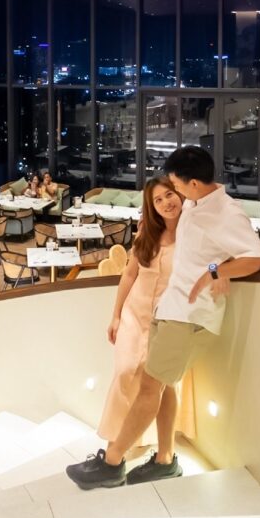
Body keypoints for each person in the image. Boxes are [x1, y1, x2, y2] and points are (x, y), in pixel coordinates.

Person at [67, 147, 260, 489]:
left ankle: (112, 462)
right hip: (170, 310)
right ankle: (164, 459)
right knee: (161, 386)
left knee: (148, 386)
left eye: (175, 186)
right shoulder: (196, 203)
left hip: (189, 317)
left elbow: (257, 258)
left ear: (192, 183)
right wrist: (210, 266)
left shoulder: (224, 214)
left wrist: (217, 270)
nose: (172, 194)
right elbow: (198, 255)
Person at [97, 177, 195, 460]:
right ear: (152, 207)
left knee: (160, 383)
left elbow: (214, 261)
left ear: (180, 194)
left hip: (167, 320)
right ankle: (117, 438)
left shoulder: (194, 234)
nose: (166, 203)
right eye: (158, 200)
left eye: (169, 195)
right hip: (134, 313)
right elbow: (129, 274)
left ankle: (155, 448)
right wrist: (115, 315)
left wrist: (215, 272)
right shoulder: (147, 233)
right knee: (126, 370)